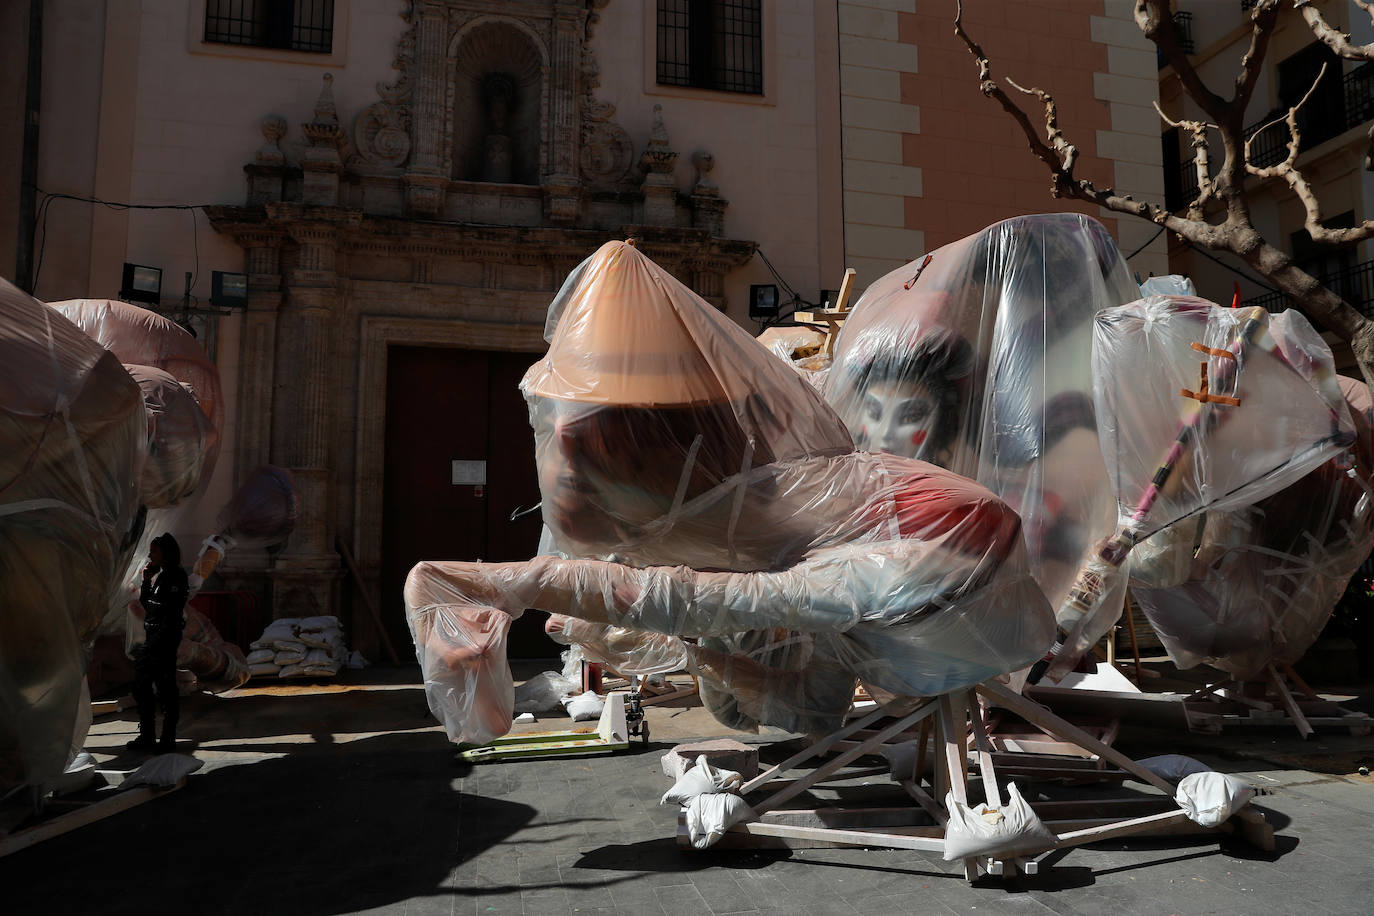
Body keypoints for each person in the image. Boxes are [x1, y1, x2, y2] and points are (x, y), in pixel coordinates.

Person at [127, 532, 188, 752]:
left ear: (166, 553)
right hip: (153, 637)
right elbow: (148, 604)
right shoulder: (161, 576)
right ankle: (147, 735)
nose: (151, 556)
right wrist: (146, 581)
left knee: (165, 689)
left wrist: (156, 643)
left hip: (164, 639)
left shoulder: (176, 577)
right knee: (141, 686)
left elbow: (171, 614)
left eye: (154, 551)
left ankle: (167, 738)